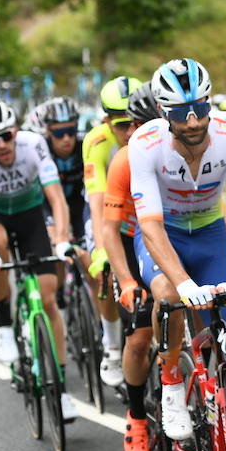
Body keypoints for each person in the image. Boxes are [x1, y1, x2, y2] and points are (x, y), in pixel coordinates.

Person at [129, 58, 226, 451]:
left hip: (210, 234)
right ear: (164, 114)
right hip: (164, 235)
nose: (193, 121)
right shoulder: (144, 145)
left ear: (210, 101)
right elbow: (147, 226)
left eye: (199, 108)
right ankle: (169, 378)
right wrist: (184, 283)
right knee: (168, 294)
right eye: (181, 114)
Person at [0, 98, 78, 422]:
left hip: (30, 215)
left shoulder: (34, 145)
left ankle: (62, 389)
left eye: (6, 136)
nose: (1, 145)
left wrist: (63, 239)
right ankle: (3, 324)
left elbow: (56, 198)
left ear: (16, 131)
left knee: (49, 299)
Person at [99, 81, 162, 451]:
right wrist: (123, 279)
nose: (136, 134)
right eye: (128, 126)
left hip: (173, 237)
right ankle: (137, 415)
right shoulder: (122, 159)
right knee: (139, 336)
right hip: (129, 239)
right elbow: (106, 226)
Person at [79, 75, 146, 388]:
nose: (129, 131)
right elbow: (97, 201)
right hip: (108, 210)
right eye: (121, 124)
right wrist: (101, 249)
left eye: (135, 121)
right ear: (106, 120)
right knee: (102, 270)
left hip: (142, 213)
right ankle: (110, 346)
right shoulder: (96, 143)